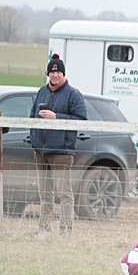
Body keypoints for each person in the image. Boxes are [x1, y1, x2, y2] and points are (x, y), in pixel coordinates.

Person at [30, 53, 87, 236]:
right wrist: (34, 138)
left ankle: (65, 231)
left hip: (61, 152)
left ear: (63, 74)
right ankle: (44, 228)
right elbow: (31, 116)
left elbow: (81, 120)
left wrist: (56, 117)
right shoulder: (42, 91)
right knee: (44, 193)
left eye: (58, 72)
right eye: (52, 72)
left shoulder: (73, 94)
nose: (55, 75)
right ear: (48, 74)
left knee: (64, 194)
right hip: (41, 151)